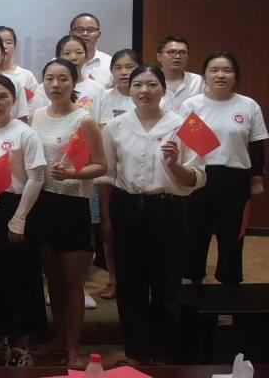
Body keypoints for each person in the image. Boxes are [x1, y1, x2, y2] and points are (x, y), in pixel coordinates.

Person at [100, 65, 206, 364]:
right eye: (137, 85)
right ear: (130, 89)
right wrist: (106, 218)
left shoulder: (188, 124)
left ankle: (164, 354)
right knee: (130, 285)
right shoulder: (115, 126)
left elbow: (198, 178)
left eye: (151, 84)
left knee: (167, 284)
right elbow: (107, 176)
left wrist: (174, 165)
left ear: (164, 89)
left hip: (168, 209)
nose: (144, 91)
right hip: (127, 207)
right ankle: (136, 352)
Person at [30, 59, 107, 367]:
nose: (56, 84)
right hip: (43, 203)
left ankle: (74, 348)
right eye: (50, 78)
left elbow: (101, 165)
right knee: (53, 281)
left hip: (73, 204)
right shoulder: (36, 116)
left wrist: (73, 174)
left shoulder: (84, 119)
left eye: (63, 78)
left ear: (74, 83)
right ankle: (57, 339)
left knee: (73, 284)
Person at [0, 75, 47, 367]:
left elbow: (36, 177)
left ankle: (21, 344)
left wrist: (19, 219)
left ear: (14, 100)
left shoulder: (25, 133)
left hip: (18, 208)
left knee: (21, 277)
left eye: (3, 96)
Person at [182, 52, 267, 285]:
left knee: (232, 235)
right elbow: (184, 144)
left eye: (227, 70)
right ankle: (193, 281)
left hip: (235, 179)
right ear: (204, 76)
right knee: (196, 232)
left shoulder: (248, 105)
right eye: (214, 70)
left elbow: (256, 144)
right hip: (200, 176)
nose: (220, 75)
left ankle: (229, 282)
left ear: (235, 76)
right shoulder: (192, 105)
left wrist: (257, 179)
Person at [55, 34, 111, 310]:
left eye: (78, 52)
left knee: (86, 231)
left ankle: (82, 285)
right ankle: (54, 286)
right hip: (52, 176)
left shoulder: (96, 89)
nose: (73, 56)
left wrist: (83, 162)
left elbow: (101, 127)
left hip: (85, 170)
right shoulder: (45, 91)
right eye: (67, 52)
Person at [94, 49, 143, 301]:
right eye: (118, 68)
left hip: (138, 172)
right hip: (109, 171)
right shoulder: (103, 97)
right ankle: (113, 278)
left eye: (130, 67)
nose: (124, 72)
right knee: (109, 229)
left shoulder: (148, 95)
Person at [0, 26, 45, 113]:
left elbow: (37, 106)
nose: (4, 46)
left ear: (15, 46)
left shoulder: (27, 76)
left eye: (9, 42)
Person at [155, 36, 206, 113]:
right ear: (159, 56)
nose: (177, 56)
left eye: (183, 53)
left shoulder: (198, 81)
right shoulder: (151, 80)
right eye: (171, 52)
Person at [68, 13, 112, 88]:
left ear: (99, 34)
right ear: (70, 33)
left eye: (90, 30)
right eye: (79, 30)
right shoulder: (56, 64)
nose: (85, 34)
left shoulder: (110, 63)